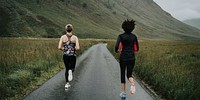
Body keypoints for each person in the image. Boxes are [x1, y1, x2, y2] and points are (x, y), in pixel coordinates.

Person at [115, 19, 139, 98]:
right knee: (129, 74)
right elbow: (137, 48)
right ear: (132, 28)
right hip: (131, 58)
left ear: (123, 27)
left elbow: (116, 46)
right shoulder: (134, 37)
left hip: (123, 58)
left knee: (122, 74)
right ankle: (132, 82)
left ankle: (123, 92)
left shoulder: (120, 36)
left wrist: (116, 51)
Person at [58, 24, 80, 89]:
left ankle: (67, 84)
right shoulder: (75, 37)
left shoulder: (62, 37)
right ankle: (71, 70)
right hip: (72, 55)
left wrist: (64, 49)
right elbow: (78, 48)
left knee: (66, 69)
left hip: (65, 55)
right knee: (72, 68)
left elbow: (59, 47)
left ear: (66, 30)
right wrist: (73, 48)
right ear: (72, 29)